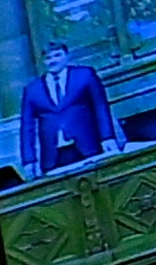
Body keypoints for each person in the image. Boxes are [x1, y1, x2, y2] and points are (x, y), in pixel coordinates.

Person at [12, 41, 117, 175]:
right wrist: (29, 160)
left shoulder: (85, 75)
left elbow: (100, 107)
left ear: (66, 56)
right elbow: (27, 127)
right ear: (43, 62)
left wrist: (108, 137)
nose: (53, 61)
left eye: (57, 55)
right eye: (48, 58)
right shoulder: (32, 90)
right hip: (54, 156)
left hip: (88, 146)